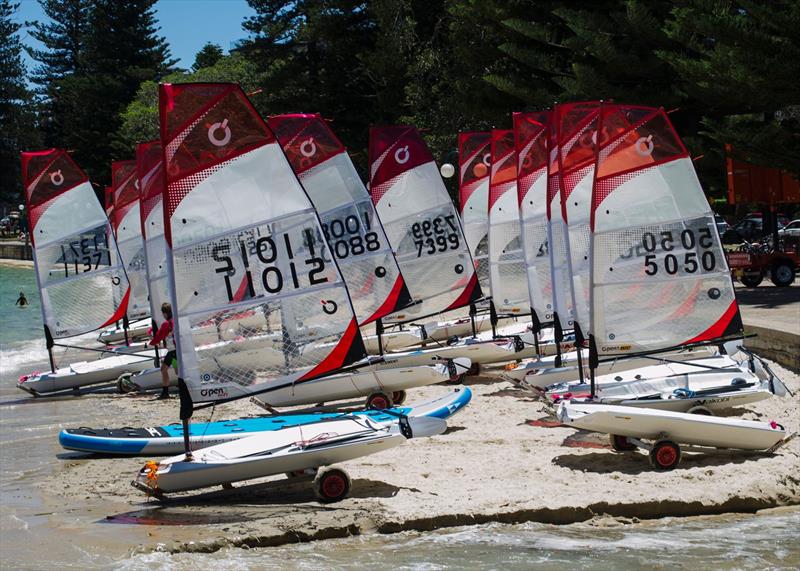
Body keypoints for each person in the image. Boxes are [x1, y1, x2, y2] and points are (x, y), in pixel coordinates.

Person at [149, 302, 177, 400]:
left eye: (163, 313)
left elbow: (159, 335)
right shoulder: (175, 321)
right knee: (177, 371)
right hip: (175, 351)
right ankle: (168, 392)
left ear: (165, 313)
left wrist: (151, 343)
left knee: (164, 369)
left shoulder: (167, 323)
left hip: (173, 351)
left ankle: (166, 393)